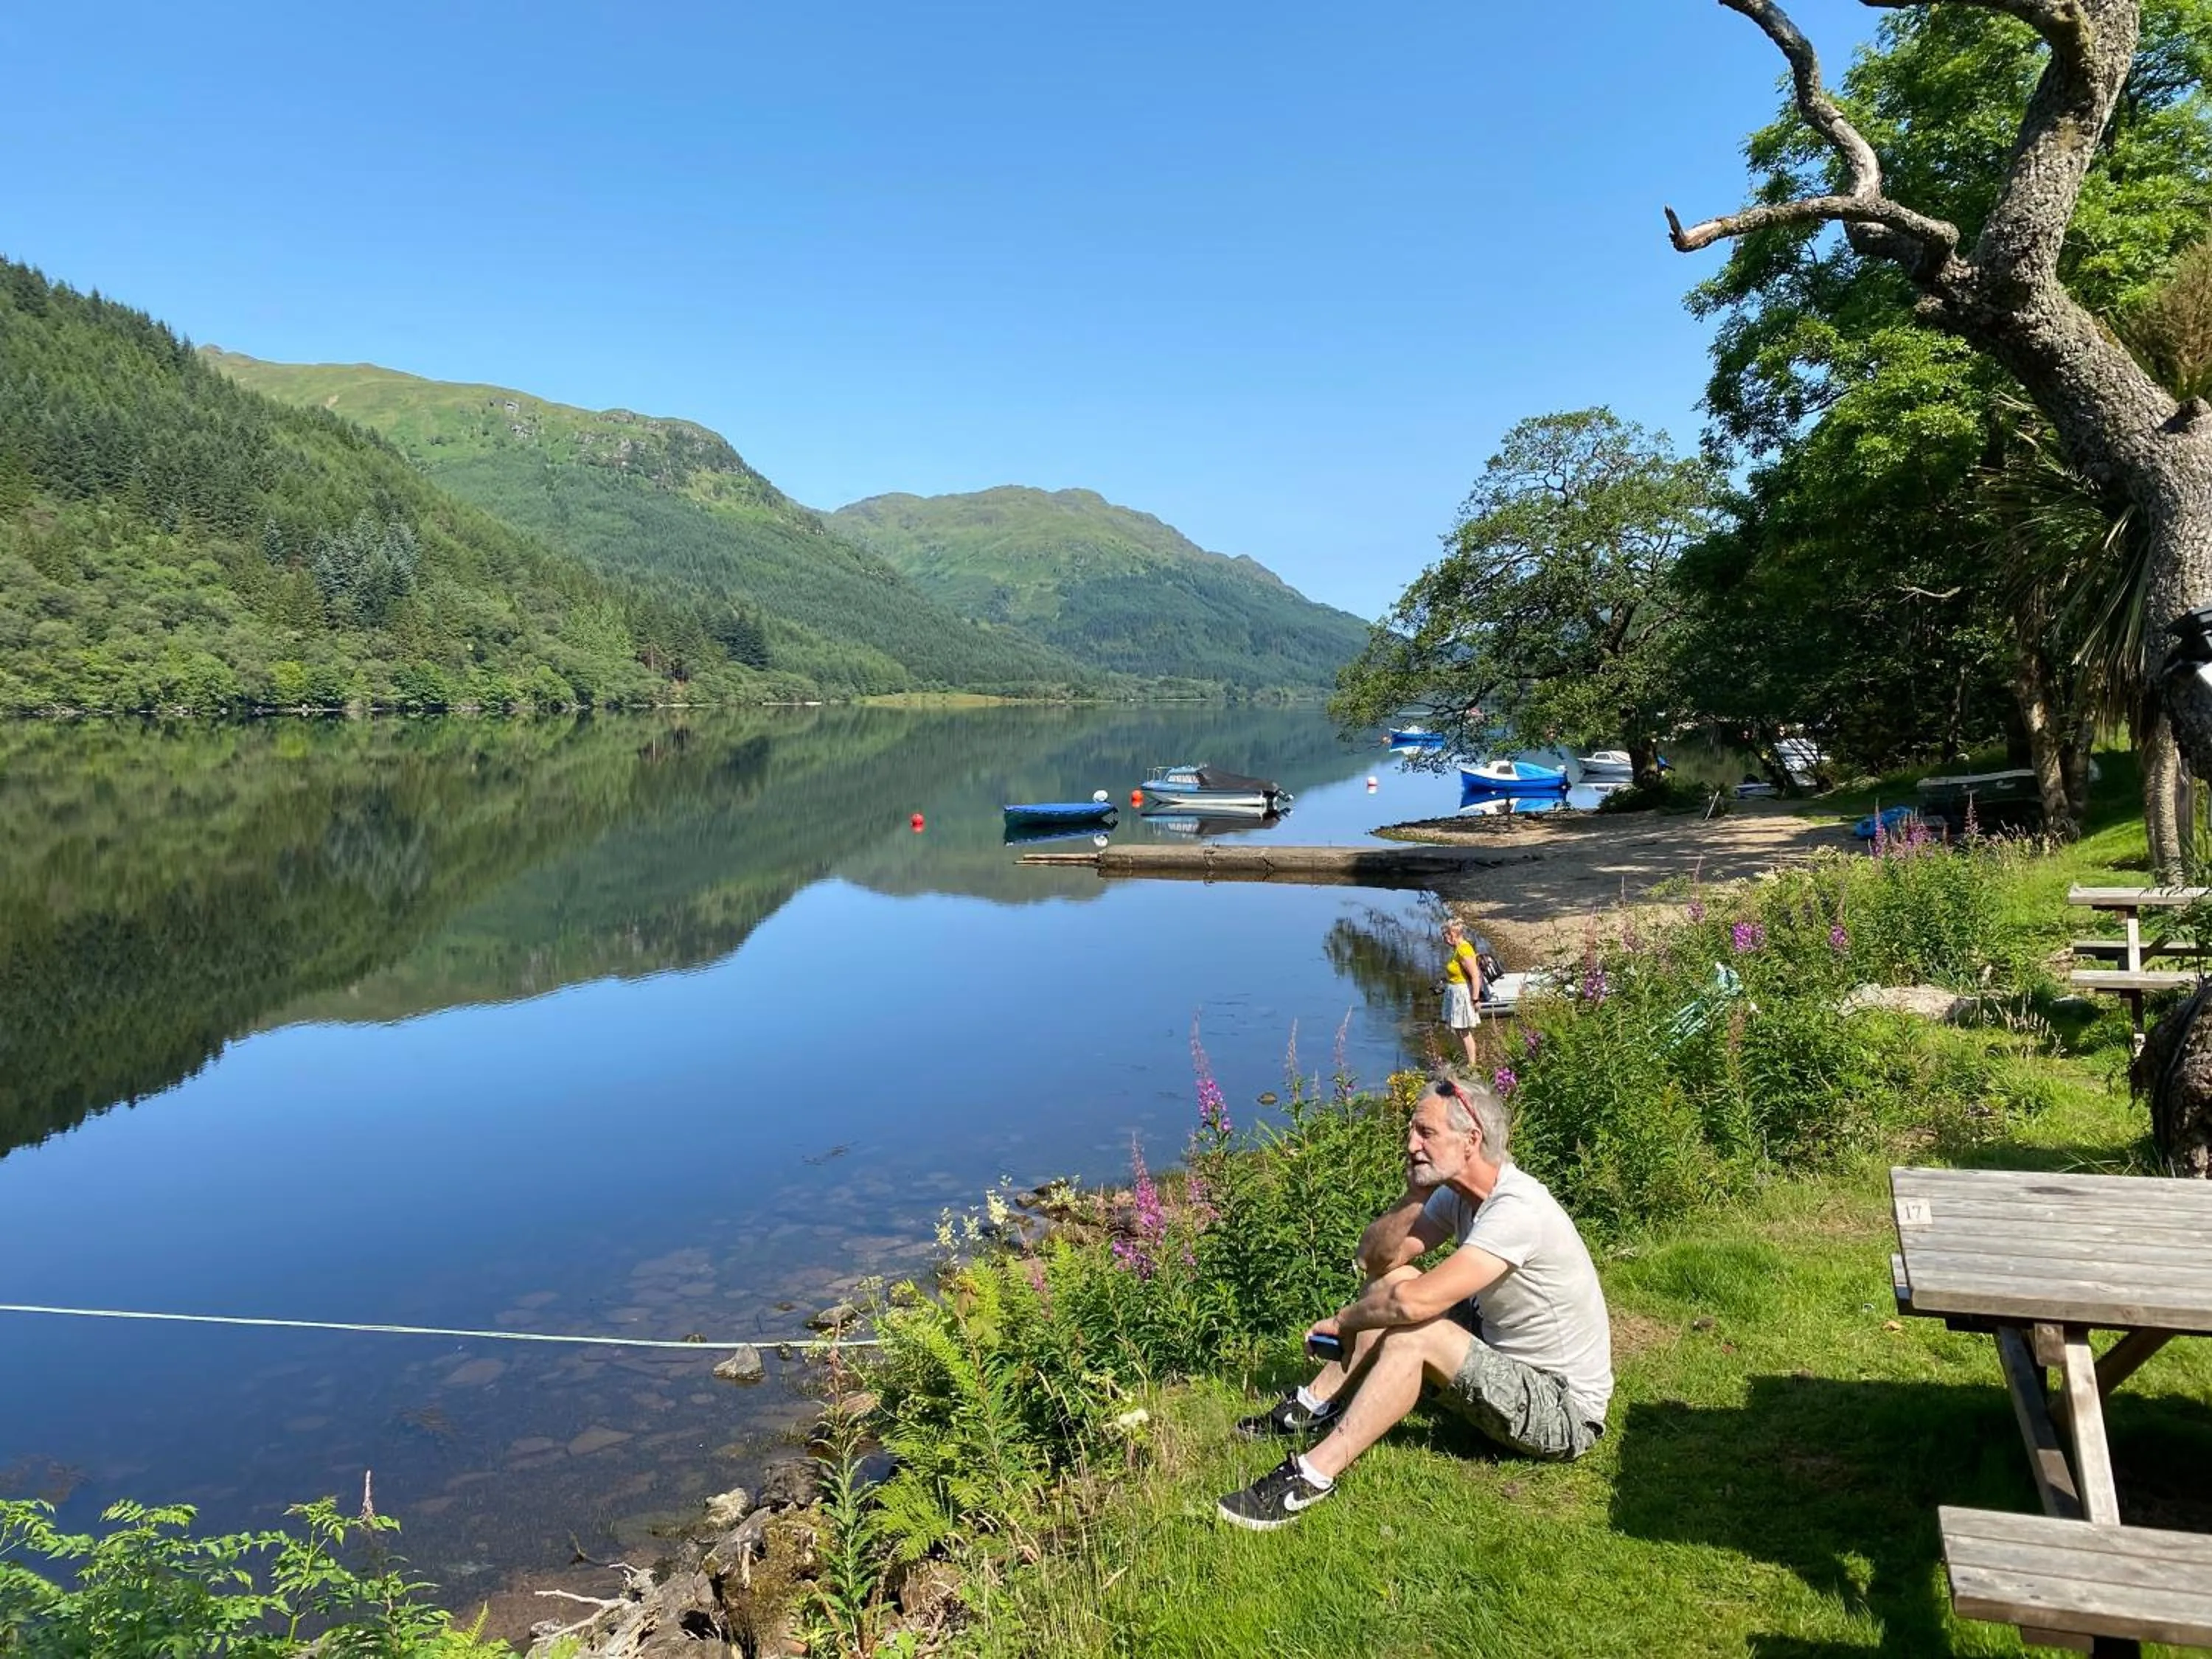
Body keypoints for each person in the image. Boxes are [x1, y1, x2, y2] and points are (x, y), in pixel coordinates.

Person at [1216, 1072, 1613, 1529]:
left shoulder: (1517, 1209)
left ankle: (1311, 1476)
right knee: (1395, 1281)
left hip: (1563, 1411)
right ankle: (1314, 1403)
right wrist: (1413, 1197)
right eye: (1411, 1131)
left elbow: (1414, 1307)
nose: (1410, 1144)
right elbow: (1373, 1261)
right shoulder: (1459, 1197)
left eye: (1425, 1132)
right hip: (1504, 1353)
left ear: (1471, 1140)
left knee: (1414, 1331)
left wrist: (1344, 1322)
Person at [1439, 917, 1484, 1067]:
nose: (1444, 939)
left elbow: (1475, 975)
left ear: (1452, 934)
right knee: (1458, 1028)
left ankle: (1472, 1064)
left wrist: (1475, 999)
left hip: (1462, 993)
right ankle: (1466, 1060)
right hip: (1454, 991)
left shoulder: (1464, 949)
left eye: (1445, 935)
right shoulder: (1456, 950)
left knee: (1463, 1030)